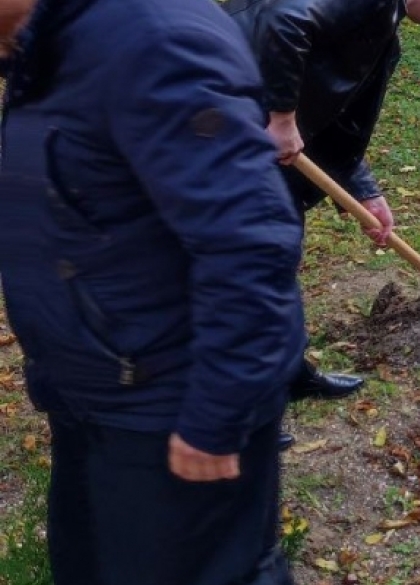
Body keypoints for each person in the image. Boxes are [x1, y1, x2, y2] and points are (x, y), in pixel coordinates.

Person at [0, 0, 305, 582]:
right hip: (93, 391)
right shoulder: (54, 41)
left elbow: (250, 240)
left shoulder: (155, 40)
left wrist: (215, 416)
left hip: (168, 405)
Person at [225, 0, 420, 447]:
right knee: (246, 269)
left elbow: (337, 113)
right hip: (230, 122)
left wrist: (367, 192)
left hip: (261, 133)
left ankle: (288, 373)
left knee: (277, 256)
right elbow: (281, 18)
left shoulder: (384, 19)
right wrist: (282, 117)